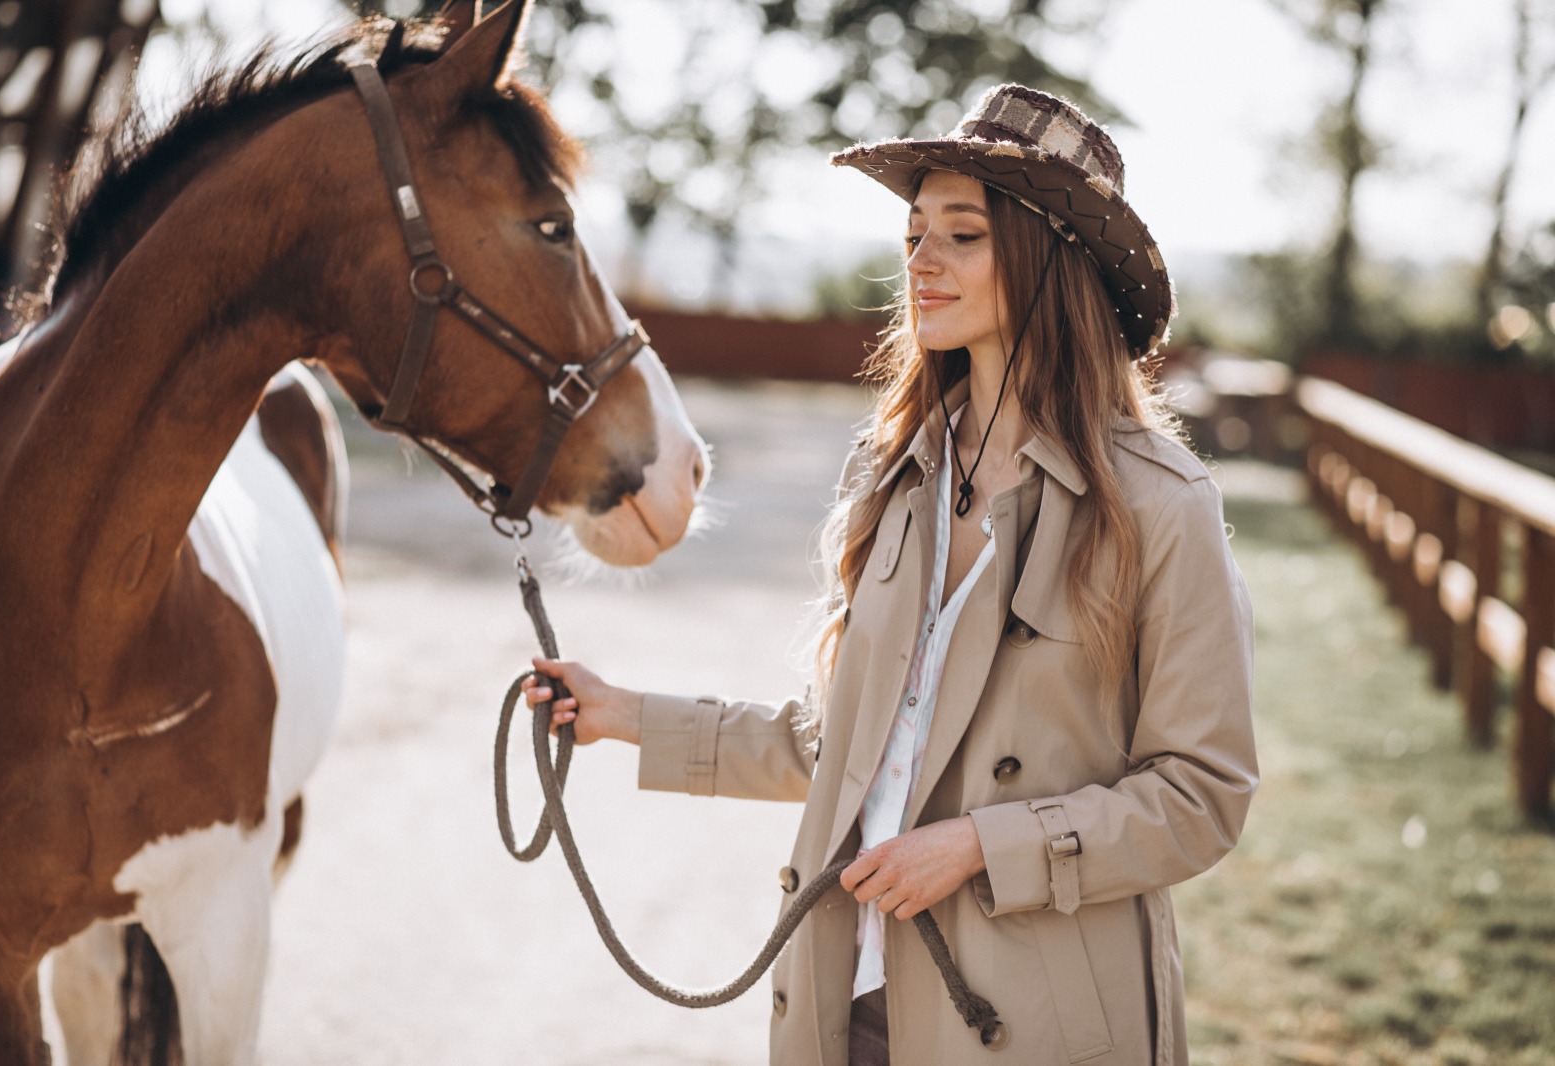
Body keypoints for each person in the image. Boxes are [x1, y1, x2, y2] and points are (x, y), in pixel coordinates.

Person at [523, 84, 1256, 1066]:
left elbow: (1202, 796)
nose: (921, 258)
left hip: (1038, 1028)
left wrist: (982, 846)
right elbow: (843, 751)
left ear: (1049, 260)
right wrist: (624, 715)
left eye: (962, 233)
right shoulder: (893, 471)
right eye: (914, 232)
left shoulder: (1163, 504)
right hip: (853, 1003)